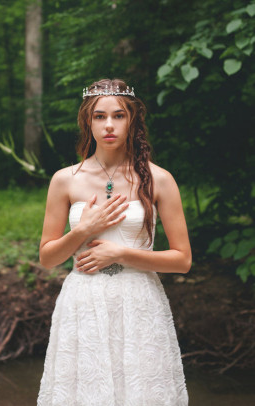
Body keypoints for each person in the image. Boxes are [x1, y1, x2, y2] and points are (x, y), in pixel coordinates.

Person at [37, 78, 191, 406]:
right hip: (83, 302)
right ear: (86, 121)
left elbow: (182, 260)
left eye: (119, 116)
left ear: (132, 120)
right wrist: (82, 230)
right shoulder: (65, 180)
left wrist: (121, 253)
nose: (109, 125)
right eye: (99, 116)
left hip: (138, 302)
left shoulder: (159, 179)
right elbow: (48, 258)